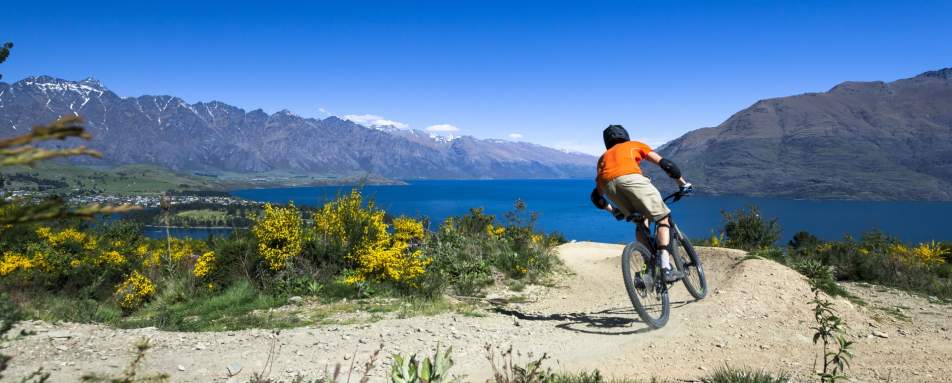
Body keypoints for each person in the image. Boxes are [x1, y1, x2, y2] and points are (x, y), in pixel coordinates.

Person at [590, 124, 693, 282]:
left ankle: (649, 267)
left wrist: (613, 210)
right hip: (632, 180)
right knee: (662, 219)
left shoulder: (602, 159)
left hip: (608, 186)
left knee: (641, 221)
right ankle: (665, 267)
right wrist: (682, 184)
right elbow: (666, 164)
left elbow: (596, 196)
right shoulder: (634, 145)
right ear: (625, 135)